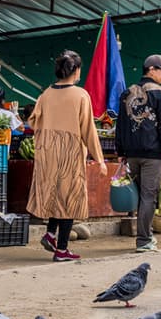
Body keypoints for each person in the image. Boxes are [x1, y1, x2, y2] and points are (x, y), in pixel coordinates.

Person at [26, 50, 106, 262]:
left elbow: (32, 122)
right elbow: (88, 129)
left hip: (47, 151)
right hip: (70, 151)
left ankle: (51, 235)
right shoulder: (80, 95)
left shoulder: (45, 94)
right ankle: (62, 250)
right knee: (69, 198)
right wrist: (100, 159)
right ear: (76, 70)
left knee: (55, 195)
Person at [115, 53, 161, 253]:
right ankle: (144, 240)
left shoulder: (127, 93)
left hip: (132, 154)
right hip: (154, 155)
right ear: (151, 69)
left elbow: (121, 124)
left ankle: (144, 235)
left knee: (140, 196)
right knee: (148, 197)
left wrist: (121, 150)